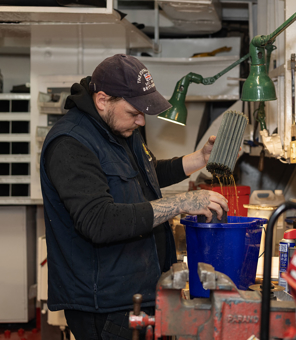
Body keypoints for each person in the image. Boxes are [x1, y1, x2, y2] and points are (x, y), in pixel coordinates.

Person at [40, 54, 228, 339]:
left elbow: (146, 174)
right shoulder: (71, 143)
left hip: (139, 290)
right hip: (106, 305)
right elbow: (99, 221)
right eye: (134, 112)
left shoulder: (118, 128)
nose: (141, 121)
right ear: (102, 100)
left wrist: (199, 159)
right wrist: (184, 202)